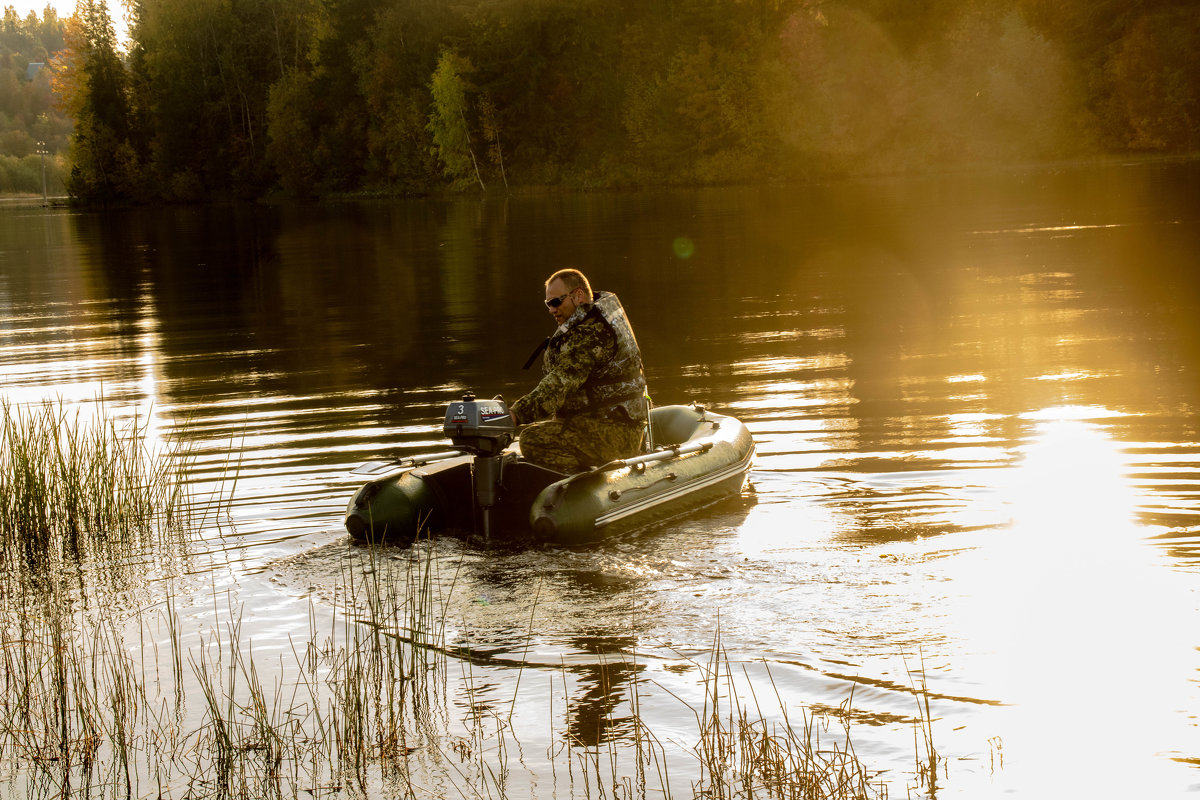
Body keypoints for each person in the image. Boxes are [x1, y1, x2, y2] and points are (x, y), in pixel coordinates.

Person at [509, 269, 649, 474]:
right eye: (548, 304)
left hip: (617, 434)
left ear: (578, 295)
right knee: (544, 429)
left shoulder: (591, 333)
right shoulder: (590, 319)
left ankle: (577, 487)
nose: (551, 310)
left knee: (532, 439)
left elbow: (559, 384)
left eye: (556, 302)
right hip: (602, 424)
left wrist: (514, 414)